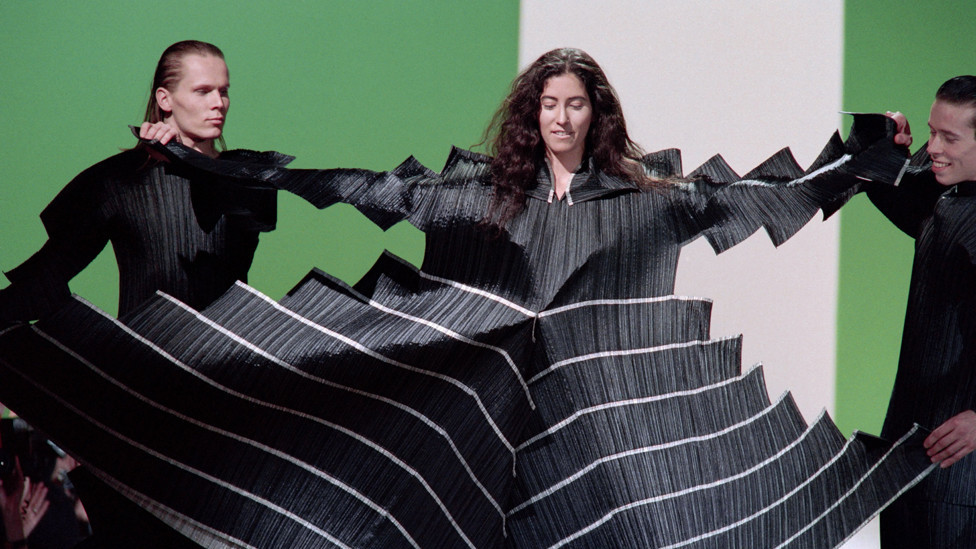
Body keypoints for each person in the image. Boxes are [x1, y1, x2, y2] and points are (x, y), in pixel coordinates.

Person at [0, 48, 929, 548]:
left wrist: (865, 159)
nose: (561, 119)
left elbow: (752, 198)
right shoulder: (483, 192)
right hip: (477, 403)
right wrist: (205, 162)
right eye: (548, 105)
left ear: (597, 116)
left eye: (577, 106)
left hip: (599, 419)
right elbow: (365, 186)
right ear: (531, 115)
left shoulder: (646, 201)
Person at [0, 40, 290, 548]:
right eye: (202, 90)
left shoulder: (246, 178)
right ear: (164, 98)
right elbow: (45, 276)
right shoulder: (120, 183)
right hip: (140, 401)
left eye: (224, 91)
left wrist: (182, 159)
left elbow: (251, 221)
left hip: (221, 398)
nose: (218, 102)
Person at [868, 76, 976, 549]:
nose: (933, 147)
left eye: (949, 138)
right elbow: (881, 184)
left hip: (962, 482)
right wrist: (884, 144)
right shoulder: (944, 197)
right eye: (933, 132)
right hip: (908, 465)